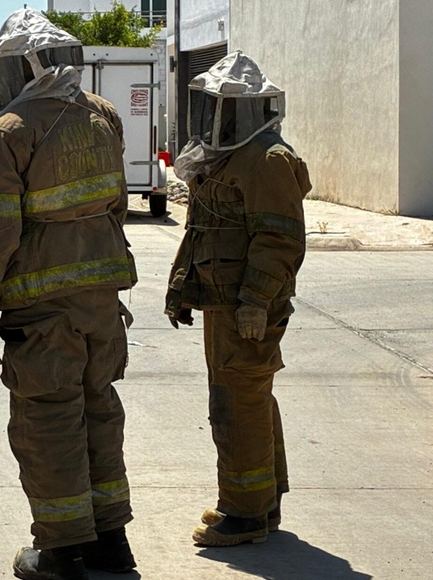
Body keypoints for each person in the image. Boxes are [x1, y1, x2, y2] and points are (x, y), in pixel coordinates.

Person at [0, 8, 138, 580]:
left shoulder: (12, 129)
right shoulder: (104, 116)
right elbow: (116, 204)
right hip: (102, 302)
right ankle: (112, 540)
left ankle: (62, 552)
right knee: (99, 410)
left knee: (48, 422)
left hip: (43, 310)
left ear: (25, 67)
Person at [165, 52, 313, 547]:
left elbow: (280, 240)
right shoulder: (230, 158)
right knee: (249, 397)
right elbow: (205, 231)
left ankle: (245, 513)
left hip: (246, 308)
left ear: (246, 112)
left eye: (221, 110)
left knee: (238, 403)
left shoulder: (267, 160)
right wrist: (182, 290)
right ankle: (261, 501)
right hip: (225, 303)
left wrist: (254, 301)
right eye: (209, 108)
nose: (211, 119)